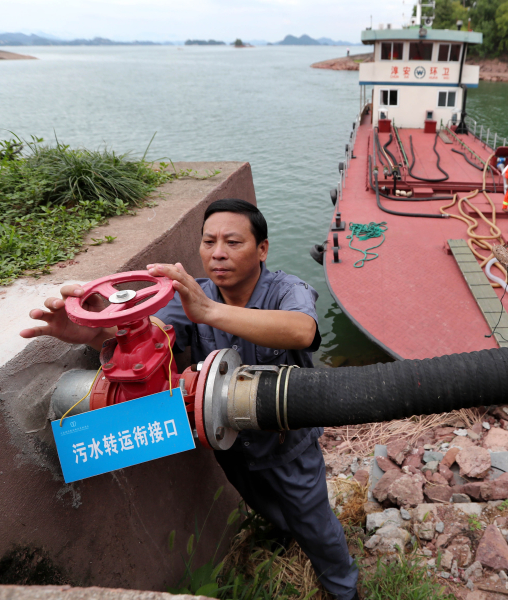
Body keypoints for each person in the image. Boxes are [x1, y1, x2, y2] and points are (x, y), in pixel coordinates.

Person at [19, 199, 358, 600]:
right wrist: (93, 333)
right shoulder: (190, 298)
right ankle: (284, 530)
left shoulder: (286, 290)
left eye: (233, 242)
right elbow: (152, 338)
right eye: (208, 241)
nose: (217, 253)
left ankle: (344, 589)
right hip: (229, 442)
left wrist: (210, 311)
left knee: (316, 522)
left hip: (287, 446)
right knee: (261, 501)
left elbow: (302, 331)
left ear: (262, 249)